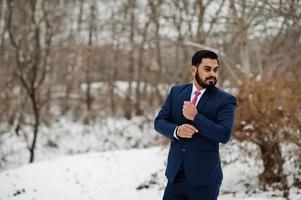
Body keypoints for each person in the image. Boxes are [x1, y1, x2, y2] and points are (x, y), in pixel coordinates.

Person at [154, 50, 237, 200]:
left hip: (204, 180)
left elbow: (224, 134)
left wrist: (196, 117)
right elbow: (159, 122)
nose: (212, 74)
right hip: (176, 176)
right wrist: (177, 130)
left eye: (216, 70)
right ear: (194, 69)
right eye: (207, 69)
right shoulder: (176, 92)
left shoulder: (225, 100)